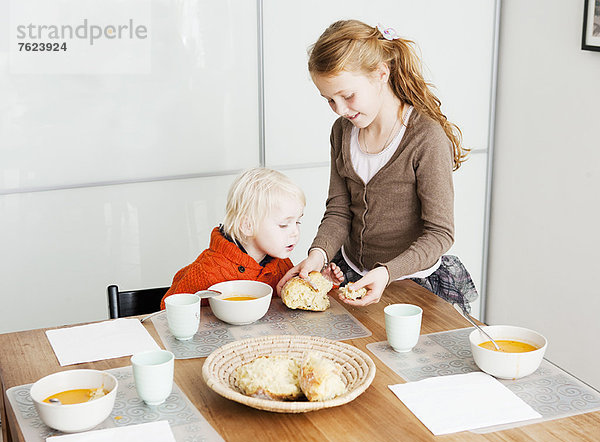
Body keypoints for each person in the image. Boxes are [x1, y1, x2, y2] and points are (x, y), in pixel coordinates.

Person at [277, 20, 477, 311]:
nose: (341, 110)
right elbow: (339, 211)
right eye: (329, 100)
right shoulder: (342, 132)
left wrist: (386, 272)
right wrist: (318, 254)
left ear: (381, 74)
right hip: (351, 275)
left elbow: (439, 234)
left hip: (411, 283)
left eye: (347, 96)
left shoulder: (425, 138)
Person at [161, 167, 342, 309]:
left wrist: (323, 282)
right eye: (283, 225)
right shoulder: (206, 271)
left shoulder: (280, 264)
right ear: (247, 225)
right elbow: (168, 311)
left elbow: (295, 300)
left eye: (298, 223)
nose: (295, 232)